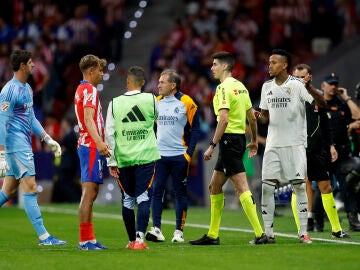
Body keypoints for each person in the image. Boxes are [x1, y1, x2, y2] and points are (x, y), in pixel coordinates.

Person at [189, 51, 266, 246]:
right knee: (214, 187)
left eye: (215, 64)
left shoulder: (223, 88)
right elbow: (252, 116)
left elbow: (223, 119)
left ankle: (260, 233)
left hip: (228, 141)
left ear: (225, 66)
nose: (212, 67)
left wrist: (212, 145)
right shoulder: (241, 87)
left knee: (242, 187)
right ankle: (213, 235)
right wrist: (254, 140)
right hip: (237, 139)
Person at [256, 49, 326, 244]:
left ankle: (303, 232)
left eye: (274, 62)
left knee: (300, 187)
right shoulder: (266, 86)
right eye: (269, 62)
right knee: (267, 189)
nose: (269, 65)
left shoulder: (297, 85)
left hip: (295, 144)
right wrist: (257, 117)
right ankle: (268, 234)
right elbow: (265, 117)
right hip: (273, 144)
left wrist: (310, 87)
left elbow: (321, 104)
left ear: (284, 65)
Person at [0, 49, 66, 245]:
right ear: (22, 66)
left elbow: (30, 118)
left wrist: (48, 139)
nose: (34, 65)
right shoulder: (9, 90)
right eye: (30, 62)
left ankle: (44, 237)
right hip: (16, 145)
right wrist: (2, 154)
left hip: (23, 143)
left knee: (9, 191)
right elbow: (1, 122)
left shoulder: (27, 88)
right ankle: (44, 237)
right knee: (30, 188)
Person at [290, 63, 350, 238]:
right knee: (298, 188)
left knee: (326, 187)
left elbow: (325, 125)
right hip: (296, 149)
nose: (299, 80)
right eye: (296, 77)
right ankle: (301, 231)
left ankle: (336, 229)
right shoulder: (288, 97)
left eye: (303, 77)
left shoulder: (316, 97)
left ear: (309, 77)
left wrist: (331, 145)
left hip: (316, 151)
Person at [105, 66, 160, 250]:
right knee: (143, 197)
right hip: (145, 157)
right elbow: (159, 121)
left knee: (128, 200)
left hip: (123, 159)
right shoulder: (151, 99)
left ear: (127, 82)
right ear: (143, 82)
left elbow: (109, 134)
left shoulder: (114, 103)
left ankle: (131, 241)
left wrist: (111, 161)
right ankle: (140, 240)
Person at [145, 69, 200, 243]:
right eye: (159, 81)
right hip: (160, 156)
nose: (158, 85)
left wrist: (188, 154)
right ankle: (157, 229)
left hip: (179, 156)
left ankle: (179, 232)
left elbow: (196, 128)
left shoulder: (186, 102)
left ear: (173, 85)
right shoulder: (156, 102)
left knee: (180, 194)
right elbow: (153, 127)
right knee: (156, 191)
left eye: (162, 82)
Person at [74, 54, 111, 250]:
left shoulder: (82, 88)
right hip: (90, 146)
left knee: (92, 192)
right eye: (99, 70)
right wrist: (100, 143)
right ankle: (84, 240)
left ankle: (89, 238)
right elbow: (89, 120)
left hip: (88, 145)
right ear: (90, 71)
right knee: (88, 193)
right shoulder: (89, 89)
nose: (102, 74)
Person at [321, 72, 360, 231]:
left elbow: (357, 116)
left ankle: (353, 220)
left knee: (347, 186)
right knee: (323, 187)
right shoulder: (319, 104)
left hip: (342, 152)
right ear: (323, 85)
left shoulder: (342, 104)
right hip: (324, 152)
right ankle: (316, 220)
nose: (333, 86)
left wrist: (347, 98)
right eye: (330, 83)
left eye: (335, 84)